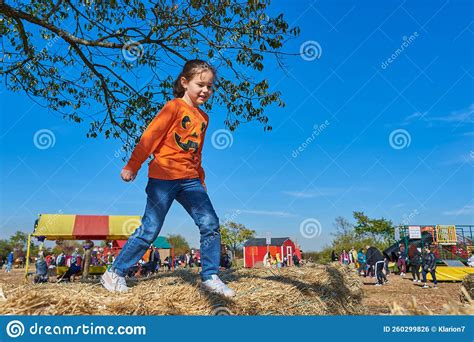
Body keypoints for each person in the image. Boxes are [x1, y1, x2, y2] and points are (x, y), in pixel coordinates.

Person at [101, 60, 234, 297]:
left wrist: (200, 180)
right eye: (200, 84)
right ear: (185, 83)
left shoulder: (204, 118)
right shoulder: (173, 107)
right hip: (163, 177)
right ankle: (115, 272)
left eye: (210, 86)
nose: (205, 90)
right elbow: (149, 137)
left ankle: (210, 276)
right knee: (150, 228)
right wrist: (133, 165)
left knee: (210, 223)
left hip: (190, 180)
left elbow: (197, 152)